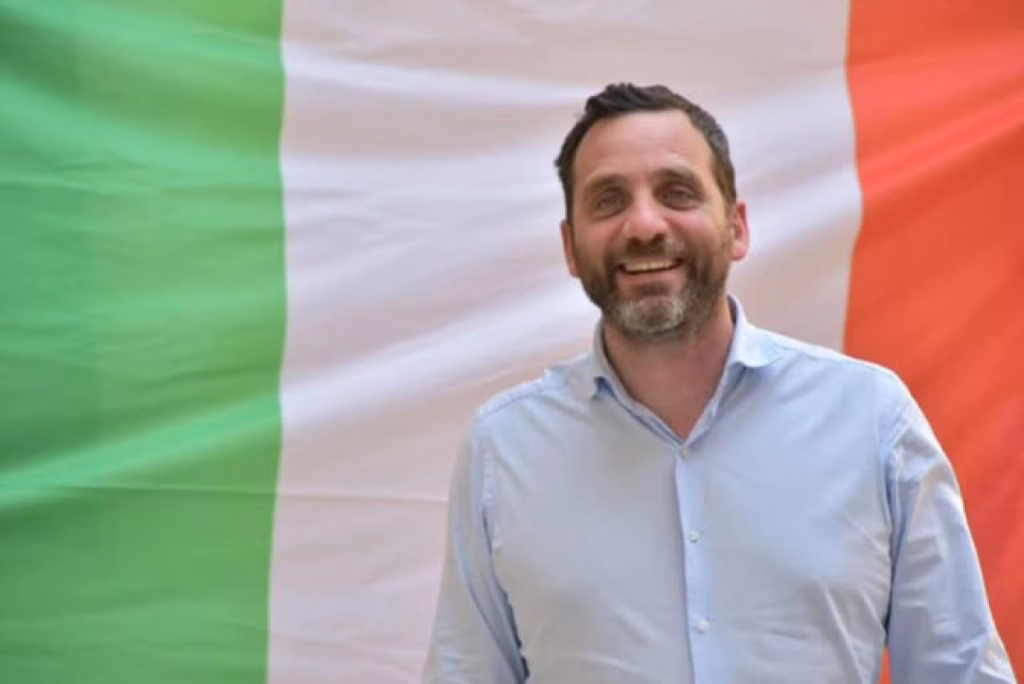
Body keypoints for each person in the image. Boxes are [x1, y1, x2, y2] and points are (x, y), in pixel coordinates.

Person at [422, 83, 1016, 683]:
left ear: (736, 228)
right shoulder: (505, 448)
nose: (644, 224)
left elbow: (961, 670)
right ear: (570, 248)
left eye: (676, 193)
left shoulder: (871, 419)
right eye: (608, 200)